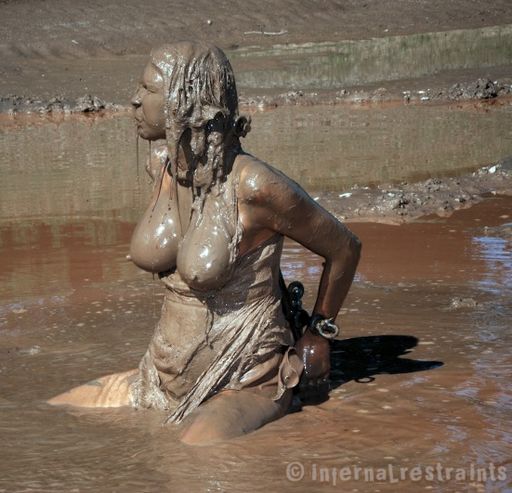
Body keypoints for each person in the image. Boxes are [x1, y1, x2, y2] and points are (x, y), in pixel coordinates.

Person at [49, 41, 361, 446]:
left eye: (148, 90)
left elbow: (345, 249)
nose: (134, 100)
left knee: (195, 456)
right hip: (161, 373)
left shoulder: (253, 186)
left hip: (245, 376)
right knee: (54, 411)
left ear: (187, 102)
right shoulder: (165, 167)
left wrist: (319, 334)